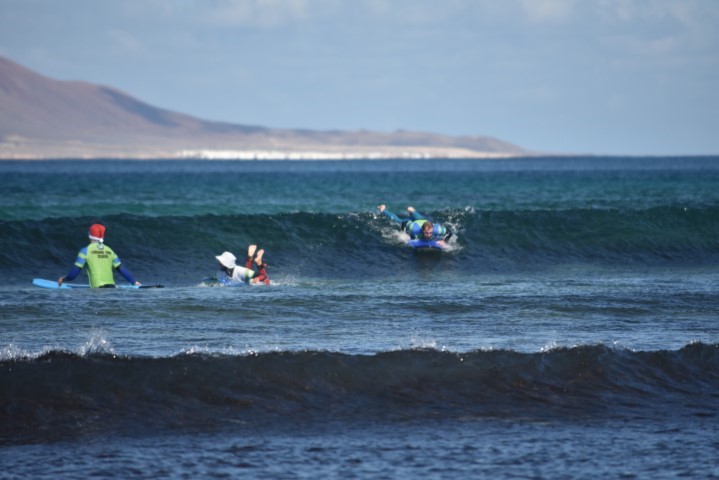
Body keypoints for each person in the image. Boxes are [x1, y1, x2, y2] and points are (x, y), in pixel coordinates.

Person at [58, 223, 141, 288]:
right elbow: (121, 269)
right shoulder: (110, 250)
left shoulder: (85, 251)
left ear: (89, 235)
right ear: (103, 236)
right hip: (111, 288)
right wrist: (133, 282)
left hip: (97, 291)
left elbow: (73, 275)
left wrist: (63, 279)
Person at [377, 205, 452, 245]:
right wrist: (404, 233)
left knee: (414, 212)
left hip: (421, 219)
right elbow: (404, 223)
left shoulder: (436, 229)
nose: (429, 235)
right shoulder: (414, 228)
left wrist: (443, 240)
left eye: (430, 233)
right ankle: (383, 209)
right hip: (412, 222)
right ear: (422, 230)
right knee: (398, 220)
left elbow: (449, 232)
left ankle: (411, 210)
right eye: (426, 233)